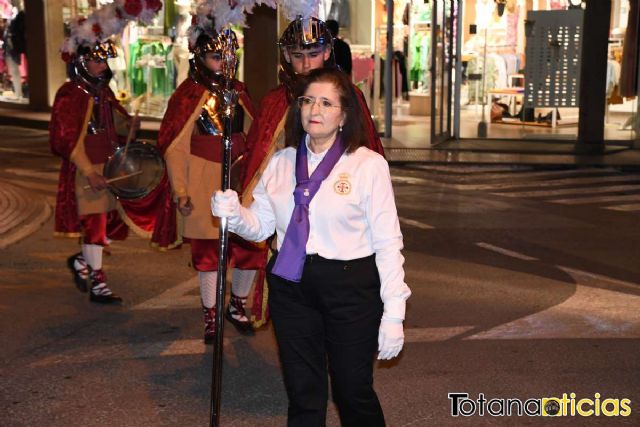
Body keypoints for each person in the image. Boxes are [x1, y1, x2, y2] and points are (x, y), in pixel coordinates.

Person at [212, 67, 411, 426]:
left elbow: (388, 242)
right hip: (292, 286)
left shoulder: (367, 165)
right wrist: (233, 214)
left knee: (353, 391)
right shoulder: (281, 162)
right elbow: (261, 226)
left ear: (343, 114)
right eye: (307, 101)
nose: (314, 109)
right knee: (304, 393)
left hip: (350, 285)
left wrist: (394, 313)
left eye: (326, 102)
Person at [239, 16, 385, 327]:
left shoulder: (349, 97)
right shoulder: (274, 101)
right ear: (286, 56)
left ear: (328, 53)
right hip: (290, 209)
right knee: (297, 310)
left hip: (338, 211)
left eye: (313, 54)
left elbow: (365, 151)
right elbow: (260, 160)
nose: (306, 64)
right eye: (298, 56)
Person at [156, 20, 264, 343]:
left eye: (229, 56)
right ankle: (211, 314)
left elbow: (257, 135)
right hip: (203, 182)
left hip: (239, 177)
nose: (224, 63)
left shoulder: (240, 91)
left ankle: (237, 304)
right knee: (208, 253)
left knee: (249, 247)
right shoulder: (188, 94)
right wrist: (181, 191)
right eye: (217, 57)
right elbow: (175, 147)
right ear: (201, 57)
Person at [50, 39, 142, 304]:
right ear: (81, 62)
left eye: (105, 61)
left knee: (114, 223)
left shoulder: (103, 92)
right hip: (85, 168)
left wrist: (129, 126)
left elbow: (116, 128)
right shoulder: (69, 94)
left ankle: (82, 260)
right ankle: (98, 283)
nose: (103, 66)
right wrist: (89, 171)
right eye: (97, 61)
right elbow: (67, 140)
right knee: (95, 225)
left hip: (109, 164)